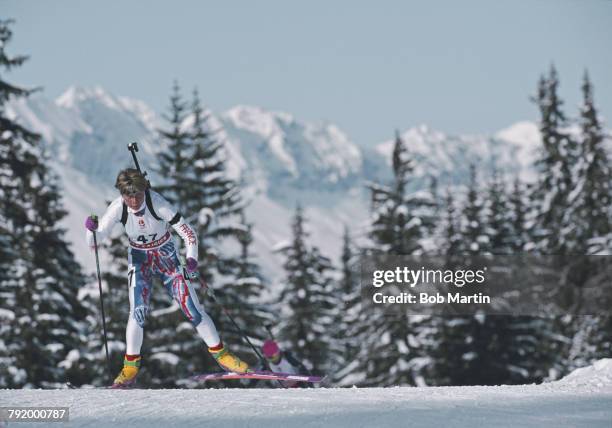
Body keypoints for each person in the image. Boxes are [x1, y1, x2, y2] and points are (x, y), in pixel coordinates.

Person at [85, 168, 249, 387]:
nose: (133, 200)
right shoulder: (118, 207)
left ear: (144, 190)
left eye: (137, 194)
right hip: (139, 259)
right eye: (128, 195)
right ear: (121, 194)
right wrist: (91, 230)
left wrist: (191, 260)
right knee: (138, 312)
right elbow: (95, 242)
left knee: (192, 308)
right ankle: (130, 369)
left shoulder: (157, 202)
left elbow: (188, 233)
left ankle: (223, 356)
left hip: (167, 257)